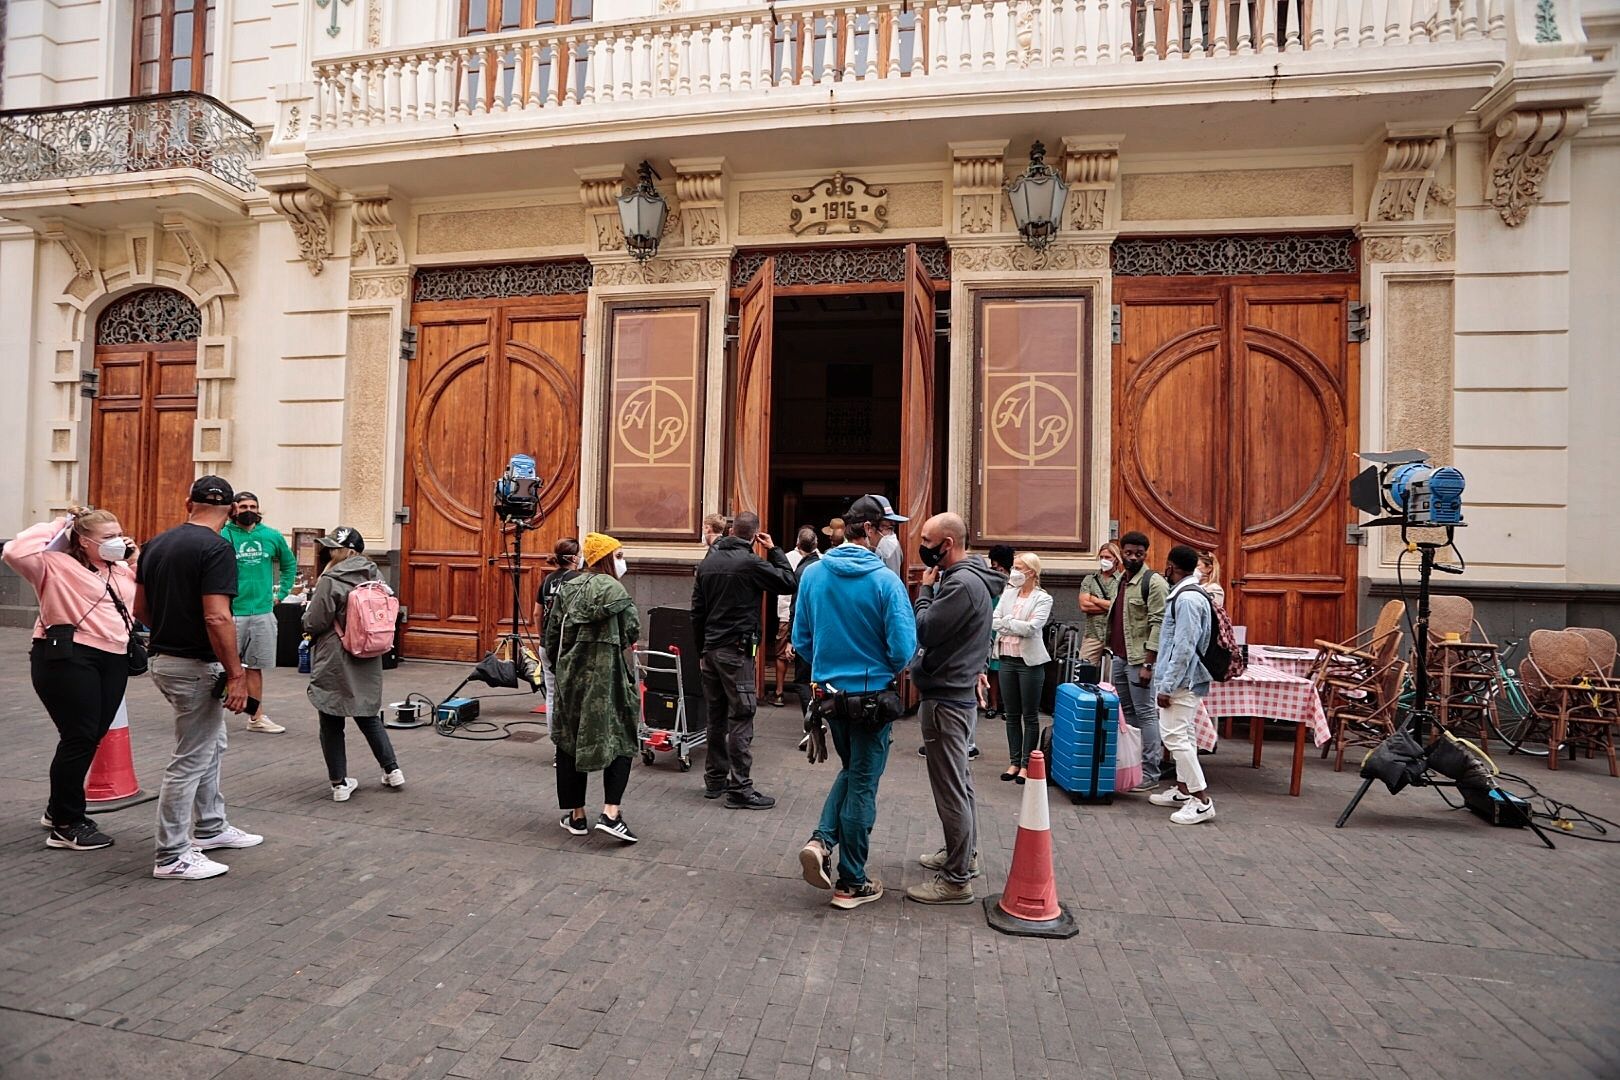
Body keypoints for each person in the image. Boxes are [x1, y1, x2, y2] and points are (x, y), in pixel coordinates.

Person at [793, 496, 917, 910]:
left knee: (853, 771)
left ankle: (821, 839)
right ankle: (852, 881)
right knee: (863, 781)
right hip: (871, 698)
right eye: (886, 528)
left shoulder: (812, 575)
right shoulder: (886, 582)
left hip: (828, 698)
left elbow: (801, 641)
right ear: (867, 529)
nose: (891, 536)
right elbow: (902, 648)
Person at [137, 475, 263, 881]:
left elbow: (140, 607)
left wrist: (170, 632)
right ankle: (172, 855)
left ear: (187, 501)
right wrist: (236, 674)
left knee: (211, 743)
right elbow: (217, 615)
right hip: (194, 665)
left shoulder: (157, 542)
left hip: (165, 659)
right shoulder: (217, 547)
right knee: (190, 759)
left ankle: (210, 827)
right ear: (229, 511)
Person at [5, 507, 138, 851]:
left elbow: (139, 596)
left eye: (119, 534)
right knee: (78, 736)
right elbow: (14, 551)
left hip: (114, 657)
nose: (116, 542)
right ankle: (67, 823)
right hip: (68, 656)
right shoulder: (53, 564)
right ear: (83, 540)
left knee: (91, 735)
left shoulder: (120, 570)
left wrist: (133, 557)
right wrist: (60, 523)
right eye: (107, 537)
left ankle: (57, 807)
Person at [906, 512, 1004, 905]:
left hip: (947, 698)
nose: (923, 547)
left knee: (951, 789)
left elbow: (926, 629)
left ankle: (956, 878)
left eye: (928, 540)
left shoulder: (960, 584)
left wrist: (924, 593)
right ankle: (963, 854)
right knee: (960, 783)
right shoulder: (971, 580)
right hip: (955, 692)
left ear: (947, 544)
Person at [692, 510, 797, 809]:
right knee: (741, 716)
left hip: (711, 650)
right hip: (736, 652)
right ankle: (740, 789)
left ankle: (714, 781)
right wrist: (775, 549)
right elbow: (788, 582)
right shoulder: (750, 562)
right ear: (755, 534)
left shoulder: (709, 562)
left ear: (729, 530)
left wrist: (701, 650)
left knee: (716, 716)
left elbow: (697, 611)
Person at [544, 532, 642, 843]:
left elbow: (551, 634)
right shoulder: (617, 591)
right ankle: (611, 813)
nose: (622, 560)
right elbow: (632, 630)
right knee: (621, 736)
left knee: (569, 739)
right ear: (607, 558)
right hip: (607, 678)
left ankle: (577, 815)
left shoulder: (568, 588)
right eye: (619, 554)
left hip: (571, 678)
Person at [302, 526, 404, 802]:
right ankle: (392, 769)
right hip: (369, 651)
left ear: (345, 551)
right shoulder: (376, 575)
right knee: (368, 713)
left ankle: (339, 783)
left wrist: (306, 623)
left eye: (333, 548)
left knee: (331, 715)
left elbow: (316, 621)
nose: (328, 552)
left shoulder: (331, 578)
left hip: (336, 653)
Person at [1149, 545, 1217, 824]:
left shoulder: (1187, 599)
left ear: (1171, 567)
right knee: (1184, 735)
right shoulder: (1190, 594)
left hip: (1182, 681)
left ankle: (1201, 800)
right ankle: (1182, 789)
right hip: (1187, 678)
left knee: (1175, 737)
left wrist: (1167, 686)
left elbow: (1184, 646)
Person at [223, 491, 297, 734]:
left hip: (263, 612)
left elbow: (289, 564)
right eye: (243, 506)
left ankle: (256, 717)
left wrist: (282, 593)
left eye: (253, 506)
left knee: (255, 667)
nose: (248, 510)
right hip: (232, 612)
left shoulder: (271, 535)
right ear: (234, 509)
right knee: (221, 666)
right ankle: (210, 719)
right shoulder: (223, 535)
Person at [1106, 531, 1167, 794]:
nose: (1133, 557)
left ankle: (1151, 771)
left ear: (1146, 554)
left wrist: (1149, 664)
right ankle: (1132, 767)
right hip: (1120, 656)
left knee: (1145, 714)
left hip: (1140, 660)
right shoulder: (1121, 579)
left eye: (1138, 554)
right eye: (1128, 552)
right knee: (1128, 715)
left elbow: (1159, 623)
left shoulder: (1153, 583)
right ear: (1122, 552)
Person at [993, 552, 1053, 784]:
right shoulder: (1008, 593)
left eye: (1019, 567)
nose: (1014, 572)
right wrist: (1010, 624)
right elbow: (993, 620)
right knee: (1011, 714)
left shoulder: (1043, 598)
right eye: (1014, 567)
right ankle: (1014, 761)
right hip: (1006, 659)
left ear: (1031, 571)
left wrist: (1006, 624)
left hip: (1029, 663)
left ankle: (1027, 764)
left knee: (1029, 715)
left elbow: (1032, 628)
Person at [533, 536, 583, 730]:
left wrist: (541, 637)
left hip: (548, 645)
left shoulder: (547, 580)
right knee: (573, 695)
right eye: (579, 555)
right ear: (573, 558)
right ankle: (571, 743)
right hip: (570, 645)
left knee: (552, 694)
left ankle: (556, 746)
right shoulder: (579, 580)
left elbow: (537, 613)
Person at [771, 527, 817, 707]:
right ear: (816, 544)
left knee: (782, 654)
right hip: (812, 619)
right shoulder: (821, 561)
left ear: (797, 542)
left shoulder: (788, 558)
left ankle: (779, 692)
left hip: (788, 613)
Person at [982, 545, 1015, 719]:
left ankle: (1007, 705)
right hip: (993, 626)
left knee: (1006, 669)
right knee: (993, 668)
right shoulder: (990, 578)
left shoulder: (1015, 580)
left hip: (1009, 627)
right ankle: (993, 704)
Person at [1078, 540, 1124, 666]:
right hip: (1093, 634)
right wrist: (1110, 605)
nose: (1104, 560)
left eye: (1108, 557)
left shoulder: (1122, 581)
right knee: (1083, 670)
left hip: (1115, 636)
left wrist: (1095, 600)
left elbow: (1120, 606)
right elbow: (1084, 605)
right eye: (1102, 557)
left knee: (1111, 677)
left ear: (1116, 559)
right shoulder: (1090, 580)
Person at [868, 495, 907, 578]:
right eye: (886, 527)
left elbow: (891, 584)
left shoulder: (891, 549)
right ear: (869, 529)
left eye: (892, 528)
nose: (891, 534)